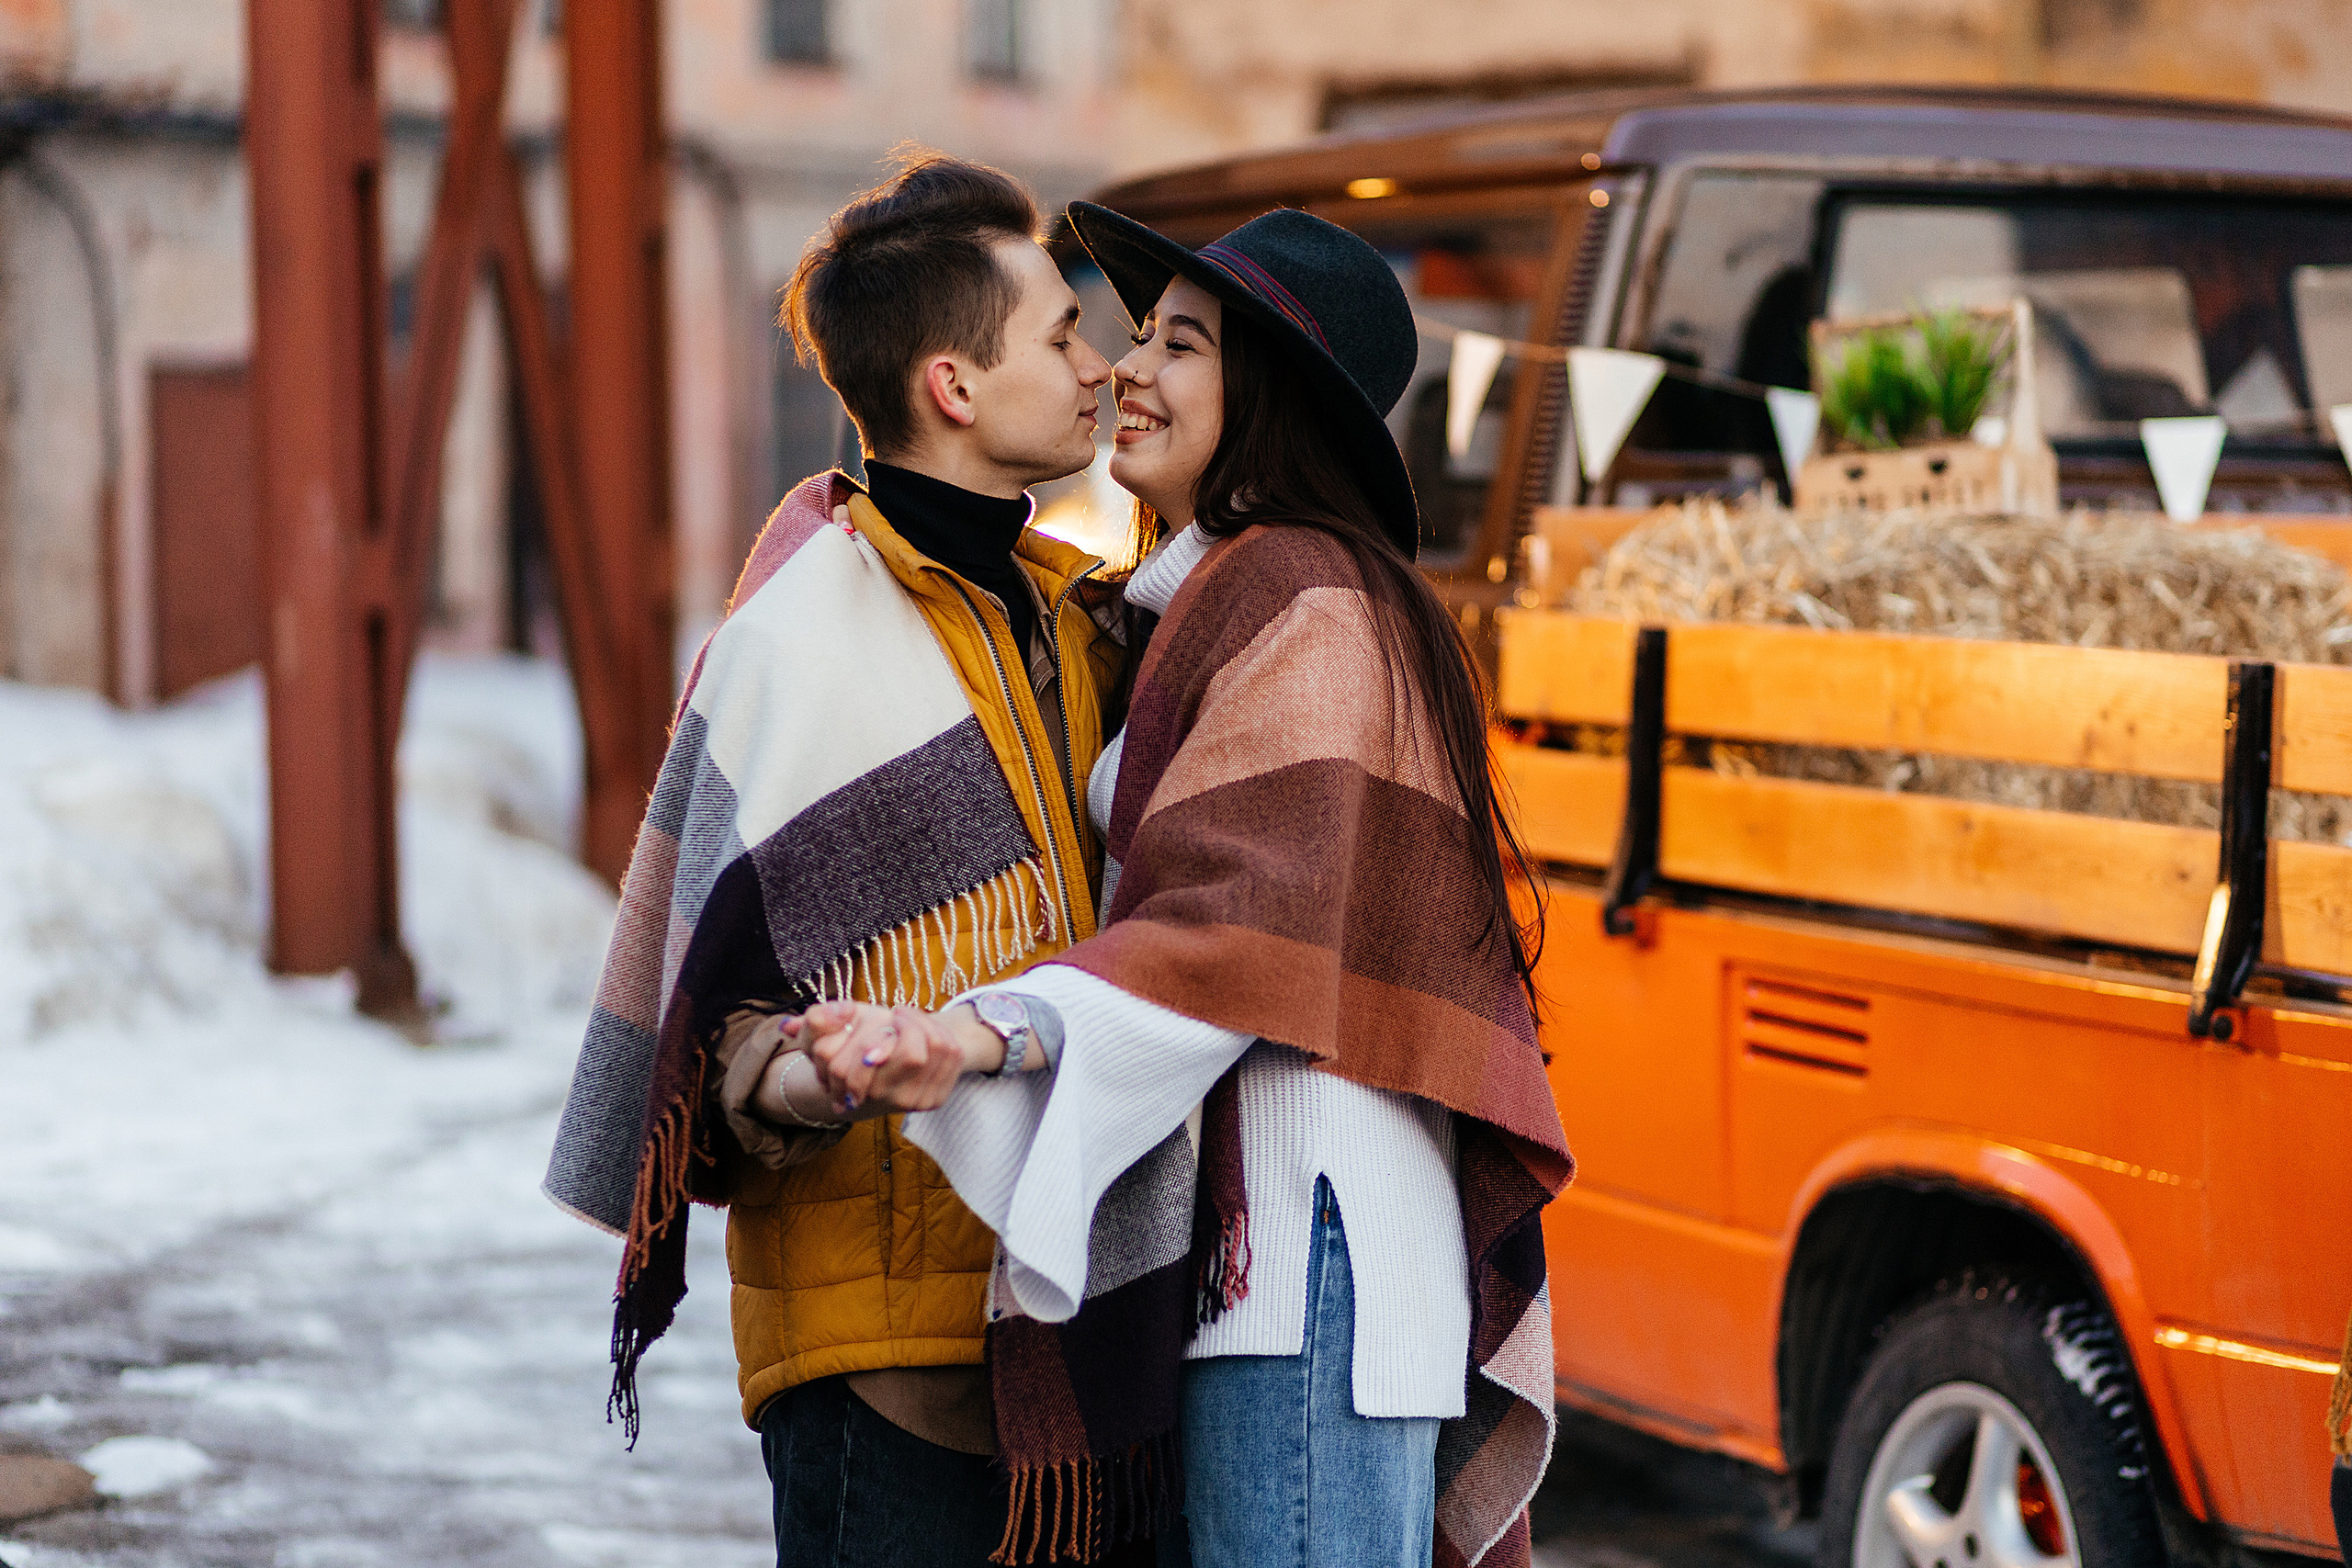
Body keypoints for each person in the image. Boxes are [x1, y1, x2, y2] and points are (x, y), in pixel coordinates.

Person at [795, 204, 1575, 1568]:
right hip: (1284, 1266)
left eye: (1185, 345)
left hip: (1306, 1253)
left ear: (1266, 395)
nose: (1129, 369)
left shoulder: (1306, 595)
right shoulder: (1208, 601)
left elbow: (1234, 923)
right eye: (1138, 332)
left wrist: (988, 1030)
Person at [541, 150, 1125, 1568]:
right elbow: (710, 1027)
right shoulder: (789, 651)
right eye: (1061, 332)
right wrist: (826, 1067)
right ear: (955, 386)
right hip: (883, 1364)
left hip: (1071, 1329)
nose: (1100, 365)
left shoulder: (1087, 627)